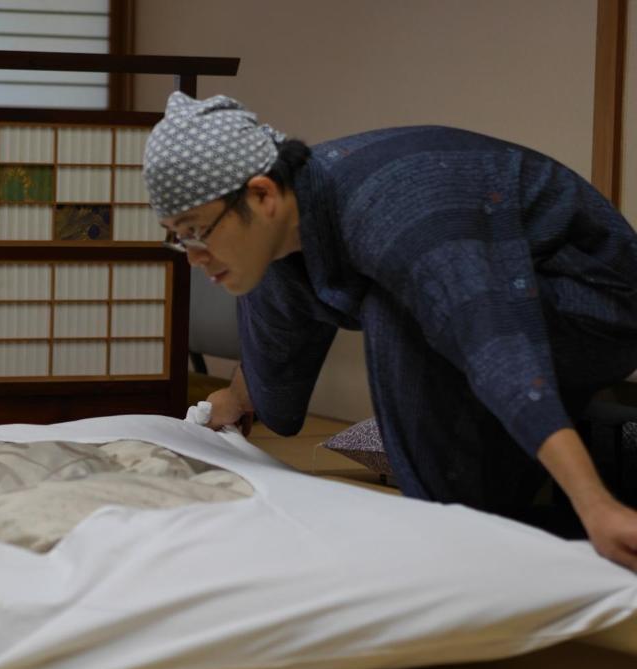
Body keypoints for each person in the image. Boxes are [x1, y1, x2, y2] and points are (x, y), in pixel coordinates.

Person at [143, 91, 637, 572]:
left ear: (262, 193)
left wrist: (596, 504)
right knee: (283, 279)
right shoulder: (291, 215)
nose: (193, 256)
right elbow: (276, 356)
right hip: (497, 310)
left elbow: (495, 346)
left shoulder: (395, 205)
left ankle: (453, 537)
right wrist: (231, 403)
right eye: (177, 236)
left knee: (394, 310)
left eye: (197, 230)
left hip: (594, 304)